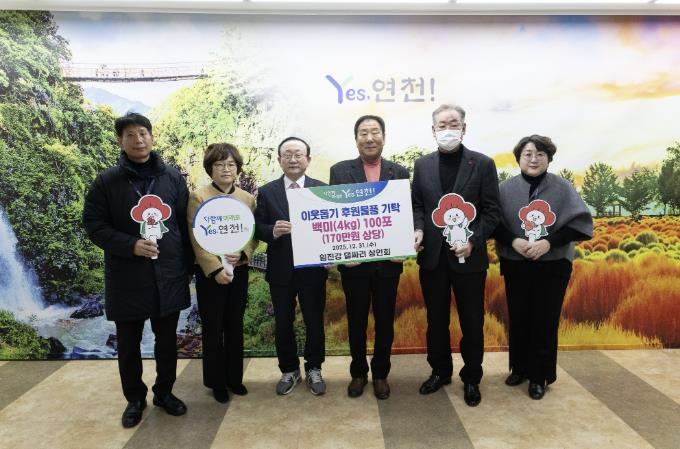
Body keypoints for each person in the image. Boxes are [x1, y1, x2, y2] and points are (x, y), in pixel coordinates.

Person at [83, 112, 192, 428]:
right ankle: (134, 398)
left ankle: (164, 393)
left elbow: (185, 223)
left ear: (152, 137)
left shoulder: (172, 178)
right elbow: (93, 225)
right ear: (121, 141)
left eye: (143, 133)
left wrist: (187, 267)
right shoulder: (107, 182)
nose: (138, 140)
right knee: (128, 344)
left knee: (166, 341)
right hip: (127, 277)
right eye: (130, 135)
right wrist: (130, 245)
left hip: (168, 273)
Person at [412, 104, 500, 407]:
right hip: (433, 258)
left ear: (464, 128)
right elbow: (418, 205)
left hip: (469, 259)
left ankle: (472, 377)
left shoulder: (483, 164)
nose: (447, 130)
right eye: (442, 125)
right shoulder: (422, 165)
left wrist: (473, 241)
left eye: (453, 124)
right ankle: (440, 371)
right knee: (436, 320)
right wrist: (418, 228)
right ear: (433, 130)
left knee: (472, 321)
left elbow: (492, 211)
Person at [494, 135, 592, 400]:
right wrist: (513, 241)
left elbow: (578, 224)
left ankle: (540, 376)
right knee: (519, 318)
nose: (534, 159)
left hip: (553, 264)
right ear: (518, 159)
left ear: (549, 158)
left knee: (545, 320)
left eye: (540, 154)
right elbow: (493, 222)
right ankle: (519, 368)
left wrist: (549, 243)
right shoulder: (504, 189)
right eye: (527, 154)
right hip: (516, 263)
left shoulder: (563, 188)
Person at [329, 115, 409, 400]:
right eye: (363, 133)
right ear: (356, 139)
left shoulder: (399, 171)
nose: (369, 138)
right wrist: (342, 254)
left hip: (389, 265)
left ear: (384, 137)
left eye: (375, 132)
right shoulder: (340, 171)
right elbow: (336, 217)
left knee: (385, 321)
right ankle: (359, 373)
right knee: (356, 320)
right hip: (354, 264)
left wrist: (404, 246)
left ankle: (381, 373)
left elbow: (405, 213)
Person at [254, 137, 328, 396]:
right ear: (279, 160)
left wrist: (331, 252)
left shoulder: (321, 189)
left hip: (313, 269)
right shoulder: (267, 191)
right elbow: (257, 227)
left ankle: (314, 367)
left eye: (298, 154)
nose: (293, 159)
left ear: (308, 159)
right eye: (287, 155)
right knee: (283, 322)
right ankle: (289, 369)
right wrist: (272, 231)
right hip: (280, 269)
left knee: (314, 321)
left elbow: (331, 227)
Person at [187, 143, 258, 403]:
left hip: (239, 271)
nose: (226, 169)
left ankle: (234, 378)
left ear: (238, 168)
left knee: (235, 324)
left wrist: (244, 254)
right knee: (213, 327)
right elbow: (195, 237)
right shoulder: (198, 197)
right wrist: (215, 268)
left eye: (231, 164)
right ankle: (216, 382)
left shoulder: (247, 199)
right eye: (219, 165)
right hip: (210, 275)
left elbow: (252, 234)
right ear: (210, 169)